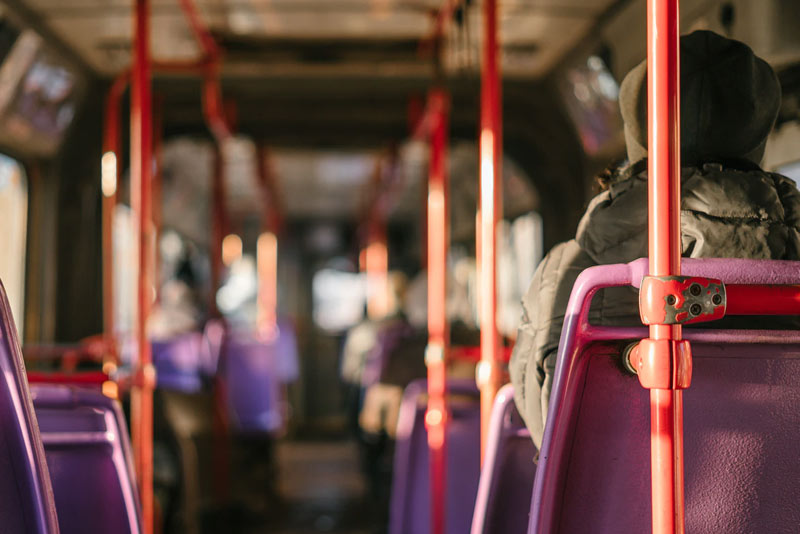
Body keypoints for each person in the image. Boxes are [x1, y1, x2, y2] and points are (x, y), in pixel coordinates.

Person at [509, 30, 800, 449]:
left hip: (615, 513)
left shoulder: (571, 273)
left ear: (638, 131)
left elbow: (545, 424)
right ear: (756, 133)